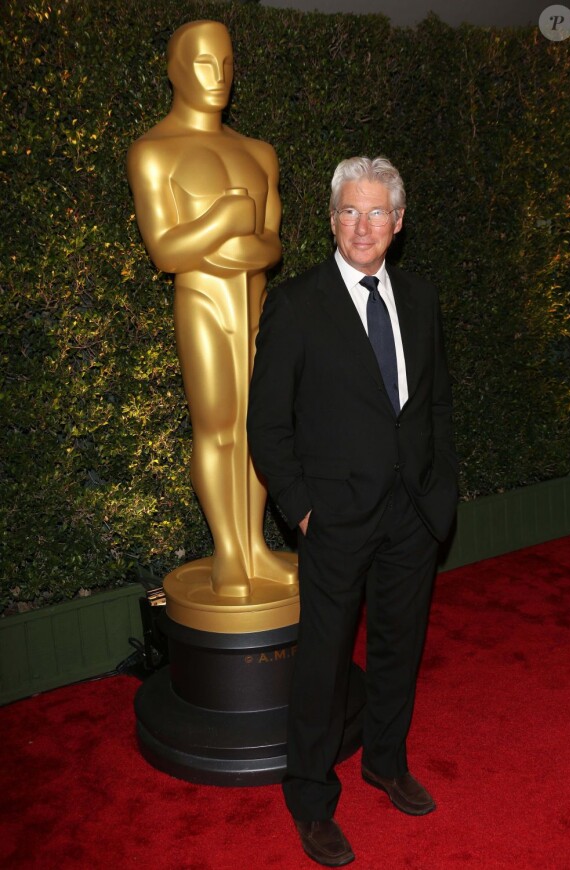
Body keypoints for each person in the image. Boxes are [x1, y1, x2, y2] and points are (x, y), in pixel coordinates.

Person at [247, 156, 458, 866]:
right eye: (349, 211)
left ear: (397, 224)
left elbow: (436, 406)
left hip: (411, 512)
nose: (362, 227)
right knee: (324, 663)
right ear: (332, 218)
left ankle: (385, 761)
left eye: (377, 213)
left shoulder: (423, 298)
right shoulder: (298, 303)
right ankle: (309, 795)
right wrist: (302, 511)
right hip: (333, 518)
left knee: (400, 647)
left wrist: (440, 492)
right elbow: (267, 426)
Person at [127, 20, 297, 598]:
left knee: (261, 427)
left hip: (254, 304)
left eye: (227, 64)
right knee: (218, 424)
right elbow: (166, 251)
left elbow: (271, 244)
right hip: (201, 302)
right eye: (204, 64)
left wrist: (240, 242)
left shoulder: (258, 152)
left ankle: (255, 547)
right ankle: (229, 549)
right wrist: (223, 222)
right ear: (176, 70)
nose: (218, 77)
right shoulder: (154, 153)